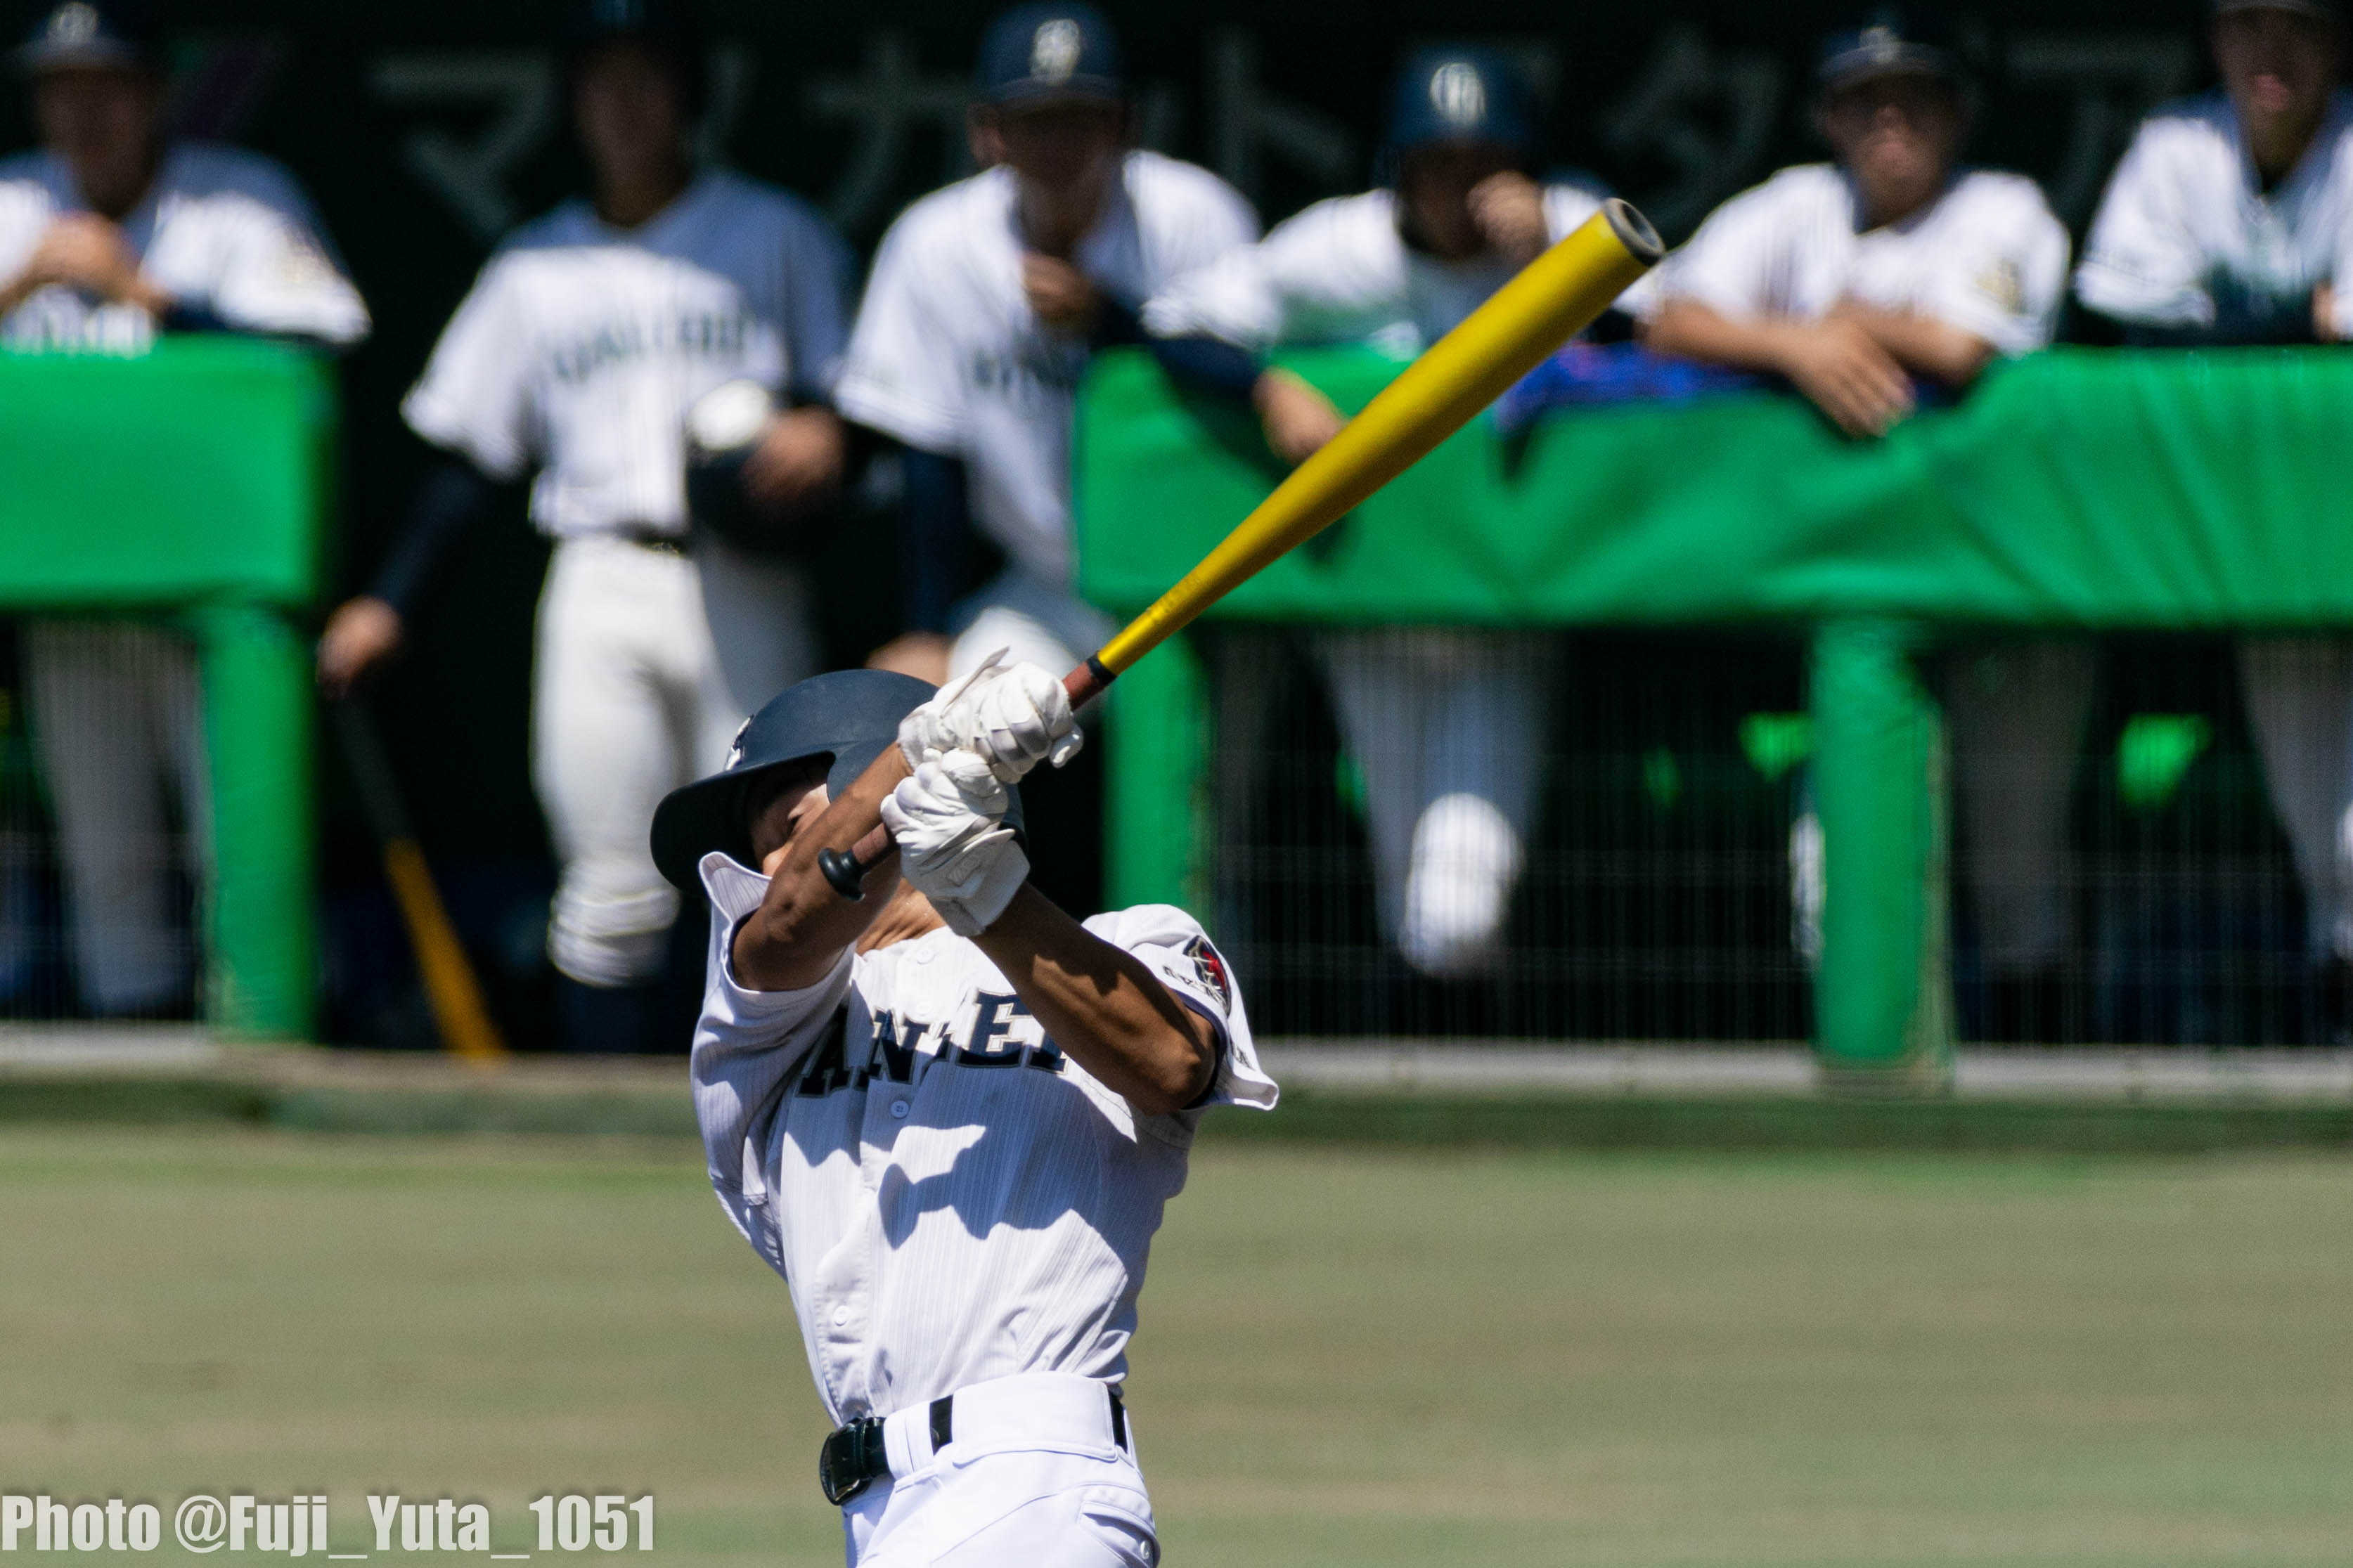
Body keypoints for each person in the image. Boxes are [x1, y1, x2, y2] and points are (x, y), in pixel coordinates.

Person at [314, 0, 854, 1052]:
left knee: (787, 874)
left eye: (647, 77)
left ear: (689, 92)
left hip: (745, 577)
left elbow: (865, 407)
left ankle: (796, 1125)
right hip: (599, 570)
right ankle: (602, 1125)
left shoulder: (775, 233)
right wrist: (389, 600)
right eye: (602, 81)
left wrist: (828, 431)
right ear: (572, 100)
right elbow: (470, 455)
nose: (625, 105)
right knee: (607, 889)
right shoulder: (533, 267)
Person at [651, 660, 1274, 1565]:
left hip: (1037, 1472)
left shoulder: (1132, 942)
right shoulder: (761, 1026)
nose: (772, 865)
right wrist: (926, 753)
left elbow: (1172, 1059)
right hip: (877, 1505)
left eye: (793, 826)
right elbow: (786, 921)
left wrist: (982, 889)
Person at [1637, 9, 2082, 1037]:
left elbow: (1960, 348)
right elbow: (1663, 317)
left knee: (2016, 882)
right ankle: (1873, 1117)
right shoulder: (1798, 204)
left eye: (1914, 96)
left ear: (1956, 113)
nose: (1890, 118)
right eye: (1864, 99)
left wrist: (1846, 323)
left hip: (2008, 593)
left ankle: (2041, 1110)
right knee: (1830, 893)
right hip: (1856, 594)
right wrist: (1797, 346)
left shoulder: (2001, 205)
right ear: (1827, 117)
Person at [1143, 48, 1627, 978]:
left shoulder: (1571, 227)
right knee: (1414, 914)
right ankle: (1455, 1082)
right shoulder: (1341, 244)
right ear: (1397, 169)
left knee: (1456, 913)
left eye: (1483, 160)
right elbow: (1173, 326)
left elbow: (1669, 348)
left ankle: (1484, 1030)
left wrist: (1548, 265)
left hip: (1504, 607)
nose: (1459, 185)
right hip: (1374, 608)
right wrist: (1267, 386)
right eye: (1435, 162)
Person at [0, 0, 368, 1016]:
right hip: (70, 597)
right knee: (106, 859)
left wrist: (148, 295)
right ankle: (136, 1057)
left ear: (156, 92)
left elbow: (321, 351)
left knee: (237, 845)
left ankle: (264, 1053)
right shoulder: (13, 203)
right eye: (61, 90)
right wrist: (21, 283)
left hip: (217, 603)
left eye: (107, 87)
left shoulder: (240, 203)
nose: (84, 114)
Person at [834, 2, 1259, 688]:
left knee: (1206, 791)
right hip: (1049, 585)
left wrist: (1108, 321)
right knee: (958, 735)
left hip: (1199, 585)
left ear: (1122, 125)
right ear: (987, 134)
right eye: (1034, 122)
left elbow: (1249, 387)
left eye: (1079, 119)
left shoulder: (1192, 217)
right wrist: (925, 629)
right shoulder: (936, 243)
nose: (1057, 145)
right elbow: (928, 454)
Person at [2077, 0, 2353, 1003]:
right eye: (2245, 23)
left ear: (2335, 43)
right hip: (2259, 538)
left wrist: (2229, 326)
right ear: (2212, 39)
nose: (2268, 51)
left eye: (2297, 24)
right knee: (2331, 833)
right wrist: (2294, 319)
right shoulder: (2175, 144)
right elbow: (2133, 327)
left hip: (2333, 515)